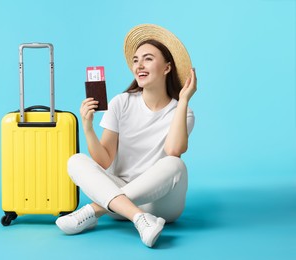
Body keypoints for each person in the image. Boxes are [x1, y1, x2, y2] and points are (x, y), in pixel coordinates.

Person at [56, 24, 197, 248]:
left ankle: (94, 210)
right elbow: (103, 160)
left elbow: (173, 150)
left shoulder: (182, 112)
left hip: (160, 204)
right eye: (135, 60)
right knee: (75, 161)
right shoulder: (121, 102)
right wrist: (88, 127)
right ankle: (140, 219)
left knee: (175, 164)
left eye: (148, 59)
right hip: (118, 202)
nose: (139, 65)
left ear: (167, 67)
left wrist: (184, 100)